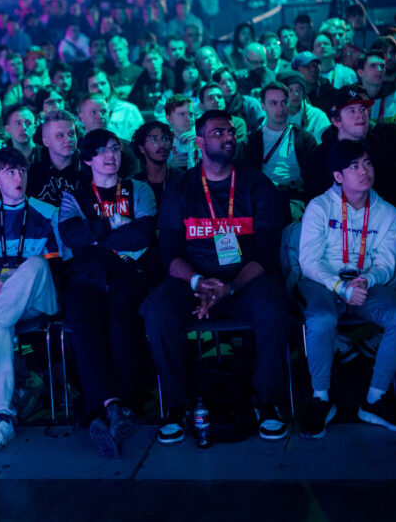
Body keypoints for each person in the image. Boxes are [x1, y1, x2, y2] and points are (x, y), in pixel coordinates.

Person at [143, 110, 292, 444]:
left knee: (273, 309)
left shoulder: (257, 184)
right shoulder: (180, 188)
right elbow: (169, 257)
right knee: (157, 311)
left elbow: (267, 257)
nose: (228, 138)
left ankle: (267, 404)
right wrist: (199, 283)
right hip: (193, 284)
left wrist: (231, 287)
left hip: (246, 282)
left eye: (231, 132)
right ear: (199, 142)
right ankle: (177, 407)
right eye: (218, 133)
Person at [298, 141, 396, 439]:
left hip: (365, 284)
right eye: (354, 166)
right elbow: (309, 262)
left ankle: (375, 398)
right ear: (338, 176)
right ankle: (320, 397)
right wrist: (339, 286)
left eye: (367, 164)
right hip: (324, 282)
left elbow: (387, 264)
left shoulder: (386, 211)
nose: (364, 171)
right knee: (321, 320)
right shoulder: (319, 206)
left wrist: (366, 281)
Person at [0, 147, 65, 455]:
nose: (18, 177)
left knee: (34, 264)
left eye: (21, 171)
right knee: (0, 326)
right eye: (10, 172)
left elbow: (55, 266)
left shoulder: (47, 213)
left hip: (38, 298)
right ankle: (1, 418)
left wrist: (8, 281)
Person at [59, 129, 156, 458]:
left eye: (114, 148)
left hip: (129, 276)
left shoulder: (139, 188)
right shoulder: (74, 196)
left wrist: (96, 234)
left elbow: (142, 236)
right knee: (85, 330)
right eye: (101, 151)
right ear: (87, 159)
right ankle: (114, 409)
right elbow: (72, 235)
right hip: (86, 277)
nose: (110, 155)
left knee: (119, 326)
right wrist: (114, 224)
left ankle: (106, 409)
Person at [304, 86, 396, 215]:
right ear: (336, 121)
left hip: (380, 222)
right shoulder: (318, 158)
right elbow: (314, 205)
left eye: (363, 109)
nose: (361, 115)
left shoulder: (384, 149)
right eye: (352, 111)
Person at [240, 82, 317, 203]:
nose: (280, 108)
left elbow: (314, 177)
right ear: (263, 106)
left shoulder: (304, 139)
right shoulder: (252, 141)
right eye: (273, 103)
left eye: (284, 102)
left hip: (296, 199)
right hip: (264, 199)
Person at [27, 110, 82, 207]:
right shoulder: (34, 172)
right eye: (60, 135)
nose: (68, 139)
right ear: (46, 141)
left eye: (71, 134)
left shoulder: (88, 169)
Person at [357, 50, 396, 129]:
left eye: (382, 66)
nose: (379, 69)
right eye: (373, 65)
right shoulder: (350, 100)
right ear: (360, 72)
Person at [85, 68, 143, 142]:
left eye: (103, 83)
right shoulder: (84, 114)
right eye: (94, 86)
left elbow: (140, 140)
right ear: (87, 90)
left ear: (110, 85)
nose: (99, 88)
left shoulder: (129, 110)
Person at [131, 120, 175, 204]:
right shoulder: (133, 184)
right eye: (154, 140)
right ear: (142, 148)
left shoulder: (182, 179)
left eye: (165, 138)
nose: (162, 144)